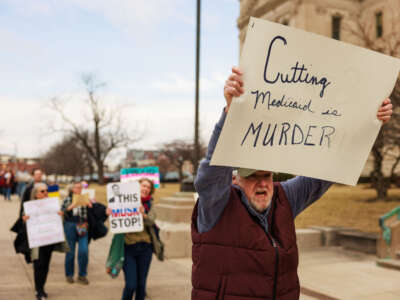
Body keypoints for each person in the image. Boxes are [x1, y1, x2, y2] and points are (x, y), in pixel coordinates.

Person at [191, 67, 393, 300]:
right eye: (252, 176)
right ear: (235, 179)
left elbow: (328, 168)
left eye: (266, 176)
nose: (262, 184)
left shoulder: (284, 199)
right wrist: (230, 113)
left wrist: (370, 121)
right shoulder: (217, 206)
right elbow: (211, 173)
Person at [19, 183, 64, 300]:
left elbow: (58, 222)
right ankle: (38, 290)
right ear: (36, 194)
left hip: (49, 240)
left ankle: (42, 287)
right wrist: (24, 220)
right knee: (39, 265)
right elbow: (22, 224)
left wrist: (60, 215)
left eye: (46, 191)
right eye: (42, 191)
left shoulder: (53, 204)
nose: (45, 193)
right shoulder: (30, 206)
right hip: (36, 241)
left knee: (45, 266)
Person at [120, 178, 160, 300]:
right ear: (137, 186)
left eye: (148, 187)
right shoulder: (124, 201)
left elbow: (151, 220)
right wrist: (110, 212)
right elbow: (116, 220)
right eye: (143, 186)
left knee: (141, 285)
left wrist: (143, 214)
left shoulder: (150, 204)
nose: (145, 189)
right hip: (128, 247)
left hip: (145, 248)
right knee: (131, 284)